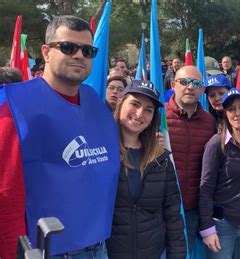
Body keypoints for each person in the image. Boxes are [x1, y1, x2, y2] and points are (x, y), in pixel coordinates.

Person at [0, 15, 120, 259]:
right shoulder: (13, 105)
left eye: (87, 51)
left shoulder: (95, 102)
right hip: (46, 251)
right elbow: (5, 192)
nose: (79, 55)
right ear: (45, 52)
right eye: (68, 47)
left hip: (99, 247)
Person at [106, 80, 186, 259]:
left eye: (148, 110)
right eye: (134, 104)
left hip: (153, 253)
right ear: (120, 103)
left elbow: (173, 216)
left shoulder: (161, 160)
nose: (140, 113)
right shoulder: (99, 153)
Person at [199, 88, 240, 259]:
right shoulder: (216, 144)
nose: (237, 113)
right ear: (226, 114)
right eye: (231, 109)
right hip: (223, 226)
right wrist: (207, 228)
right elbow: (205, 189)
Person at [165, 65, 215, 252]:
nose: (189, 87)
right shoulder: (158, 116)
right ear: (173, 85)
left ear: (202, 89)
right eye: (184, 82)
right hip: (162, 208)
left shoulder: (209, 121)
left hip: (192, 208)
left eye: (195, 83)